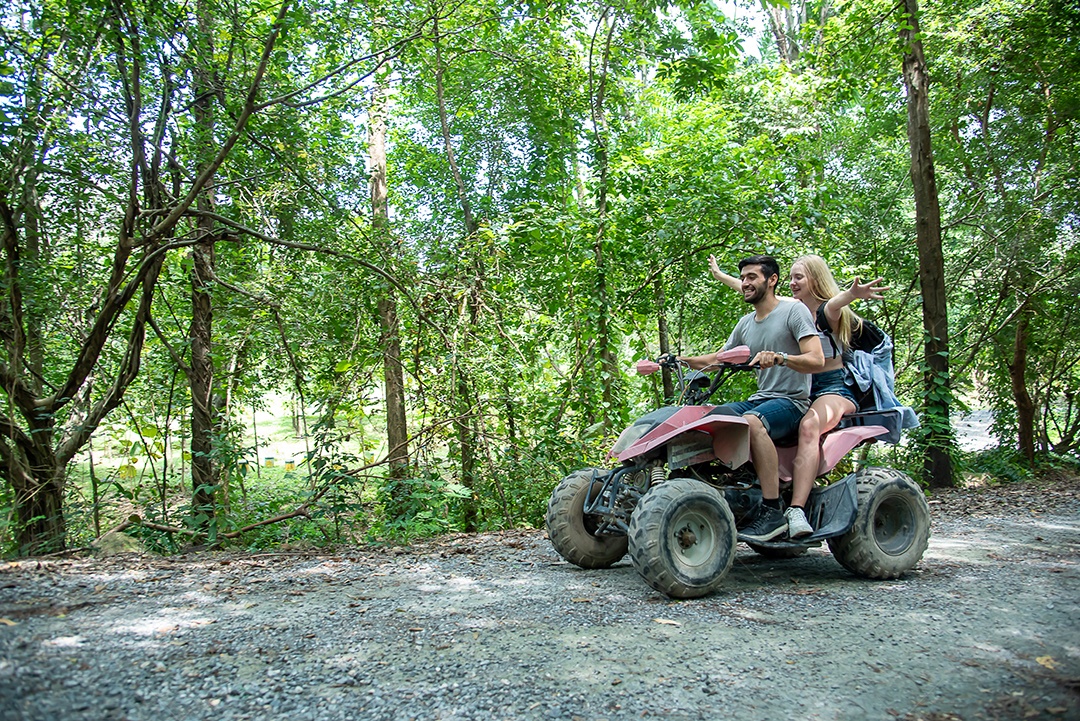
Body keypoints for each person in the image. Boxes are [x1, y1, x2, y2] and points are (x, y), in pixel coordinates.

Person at [709, 253, 888, 538]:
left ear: (815, 280)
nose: (792, 283)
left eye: (799, 277)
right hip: (802, 384)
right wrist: (722, 276)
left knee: (809, 425)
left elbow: (836, 303)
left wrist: (853, 294)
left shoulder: (825, 311)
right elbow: (754, 287)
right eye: (790, 277)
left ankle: (796, 510)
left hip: (832, 386)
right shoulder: (789, 308)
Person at [675, 255, 824, 543]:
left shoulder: (794, 311)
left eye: (752, 277)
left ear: (772, 280)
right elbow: (719, 360)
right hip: (761, 399)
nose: (745, 282)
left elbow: (816, 359)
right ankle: (715, 489)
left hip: (792, 402)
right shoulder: (745, 323)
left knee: (752, 422)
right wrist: (681, 360)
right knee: (706, 418)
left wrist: (781, 358)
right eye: (743, 277)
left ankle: (772, 510)